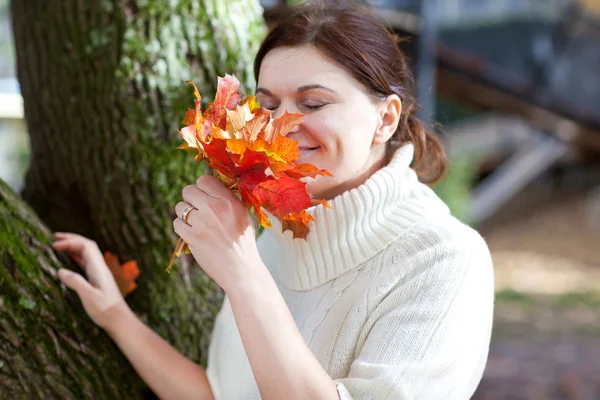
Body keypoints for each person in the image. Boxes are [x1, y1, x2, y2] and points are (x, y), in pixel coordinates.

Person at [52, 2, 494, 399]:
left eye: (314, 103)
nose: (279, 126)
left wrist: (242, 275)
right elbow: (219, 394)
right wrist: (115, 316)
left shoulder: (446, 261)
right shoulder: (274, 240)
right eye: (267, 105)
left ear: (385, 118)